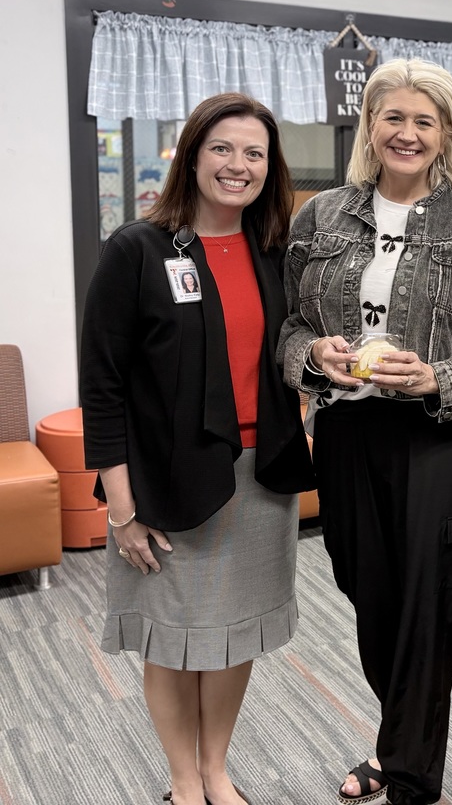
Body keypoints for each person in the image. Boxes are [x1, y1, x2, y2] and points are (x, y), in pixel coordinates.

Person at [277, 58, 452, 805]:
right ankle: (400, 745)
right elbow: (288, 325)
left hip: (436, 437)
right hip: (348, 436)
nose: (408, 133)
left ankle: (413, 779)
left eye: (425, 120)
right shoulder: (319, 217)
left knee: (428, 604)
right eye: (394, 117)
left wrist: (439, 379)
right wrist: (314, 357)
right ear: (370, 125)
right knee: (370, 593)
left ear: (446, 133)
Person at [80, 93, 314, 805]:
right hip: (166, 483)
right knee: (173, 640)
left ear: (269, 169)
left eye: (253, 153)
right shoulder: (137, 250)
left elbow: (291, 353)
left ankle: (218, 769)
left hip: (259, 479)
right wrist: (123, 510)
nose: (237, 165)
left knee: (236, 635)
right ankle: (184, 783)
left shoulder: (274, 252)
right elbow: (104, 389)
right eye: (221, 148)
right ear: (191, 154)